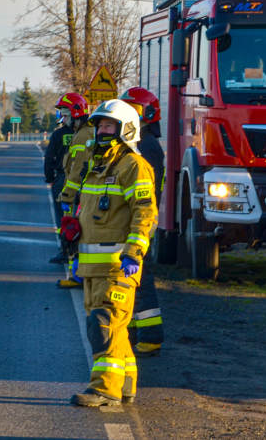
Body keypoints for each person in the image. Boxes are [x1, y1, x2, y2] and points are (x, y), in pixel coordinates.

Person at [62, 99, 157, 407]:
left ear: (125, 130)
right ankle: (125, 385)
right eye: (100, 125)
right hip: (91, 267)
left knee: (104, 324)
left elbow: (145, 213)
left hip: (118, 265)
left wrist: (134, 253)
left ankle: (104, 389)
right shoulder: (96, 165)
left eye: (108, 126)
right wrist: (73, 226)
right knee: (112, 328)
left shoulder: (133, 166)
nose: (102, 131)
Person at [120, 87, 165, 357]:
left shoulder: (147, 147)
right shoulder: (143, 143)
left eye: (132, 111)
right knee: (135, 279)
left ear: (147, 114)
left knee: (142, 278)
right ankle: (138, 331)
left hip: (142, 222)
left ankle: (151, 335)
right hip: (140, 220)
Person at [45, 92, 88, 265]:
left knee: (64, 220)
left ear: (74, 113)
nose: (62, 118)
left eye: (64, 113)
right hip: (79, 184)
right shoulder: (86, 133)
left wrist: (53, 181)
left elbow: (74, 168)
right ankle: (73, 255)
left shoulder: (71, 135)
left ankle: (66, 252)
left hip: (67, 183)